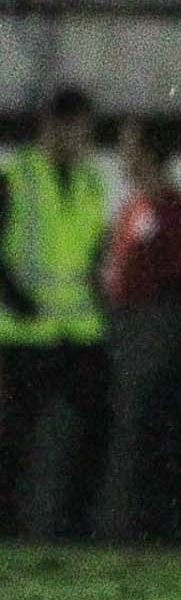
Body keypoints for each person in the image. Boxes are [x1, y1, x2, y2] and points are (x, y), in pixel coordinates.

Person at [0, 87, 113, 538]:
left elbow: (93, 252)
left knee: (98, 426)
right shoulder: (15, 177)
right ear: (49, 127)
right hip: (26, 332)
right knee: (15, 438)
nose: (77, 139)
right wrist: (14, 299)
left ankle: (76, 525)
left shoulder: (91, 182)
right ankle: (8, 526)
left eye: (82, 130)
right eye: (70, 129)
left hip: (80, 328)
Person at [104, 117, 181, 543]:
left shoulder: (174, 208)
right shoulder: (133, 207)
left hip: (154, 330)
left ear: (147, 152)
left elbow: (177, 282)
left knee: (146, 429)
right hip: (129, 328)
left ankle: (151, 528)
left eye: (128, 146)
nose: (122, 156)